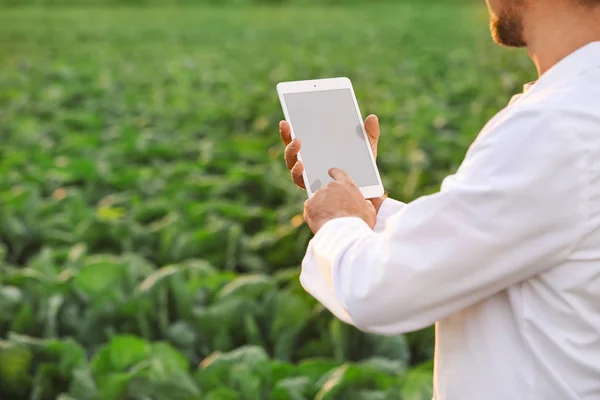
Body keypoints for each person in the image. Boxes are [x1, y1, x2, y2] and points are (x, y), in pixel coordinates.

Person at [278, 0, 600, 399]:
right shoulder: (579, 107)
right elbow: (505, 241)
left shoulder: (554, 125)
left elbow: (377, 292)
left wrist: (338, 222)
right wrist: (372, 211)